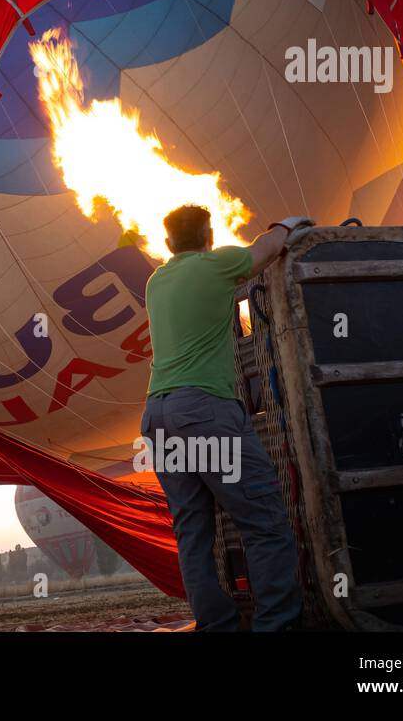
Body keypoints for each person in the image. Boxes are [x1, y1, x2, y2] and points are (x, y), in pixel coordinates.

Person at [141, 205, 313, 631]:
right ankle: (277, 624)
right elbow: (267, 249)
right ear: (209, 236)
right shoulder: (216, 265)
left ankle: (217, 626)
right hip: (202, 409)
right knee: (264, 520)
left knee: (193, 532)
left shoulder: (156, 280)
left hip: (156, 415)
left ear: (167, 244)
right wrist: (287, 222)